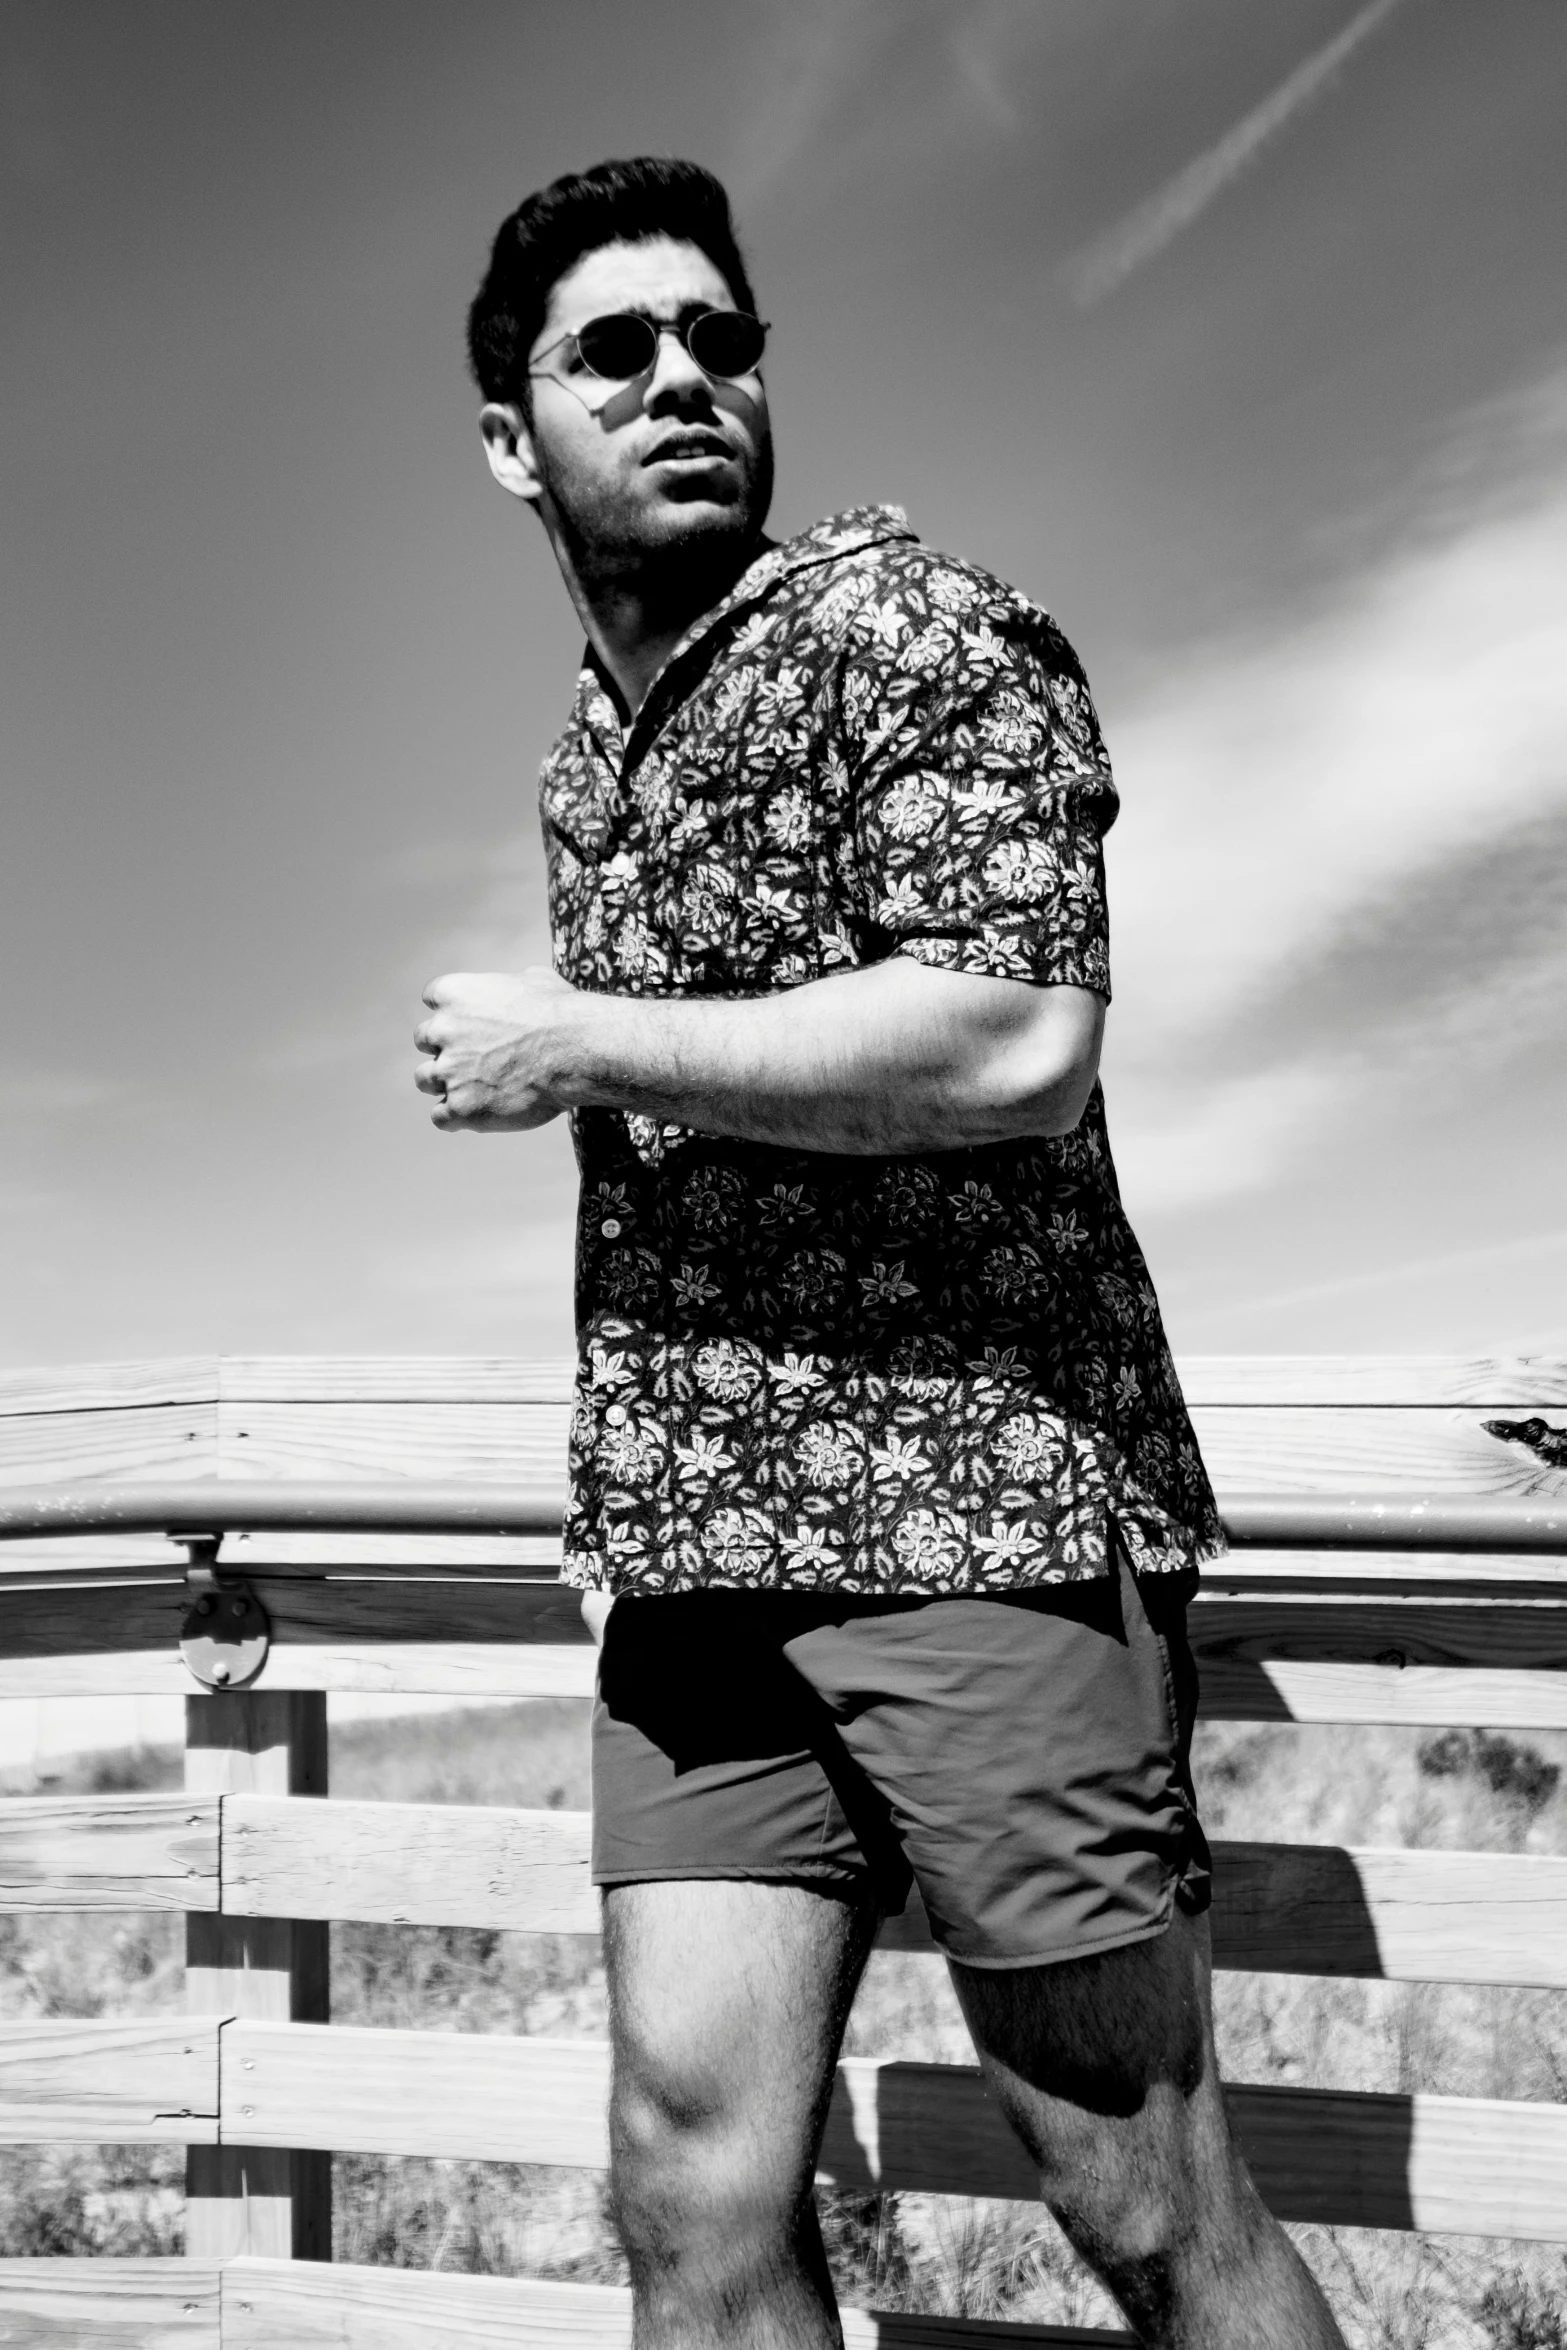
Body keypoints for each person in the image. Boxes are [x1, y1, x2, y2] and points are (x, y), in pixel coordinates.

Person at [414, 156, 1346, 2350]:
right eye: (613, 350)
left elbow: (1016, 1034)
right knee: (691, 2184)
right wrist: (620, 1467)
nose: (683, 379)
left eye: (720, 338)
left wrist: (574, 1037)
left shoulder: (911, 628)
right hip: (702, 1567)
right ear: (507, 441)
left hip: (981, 1514)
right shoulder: (590, 758)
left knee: (1136, 2184)